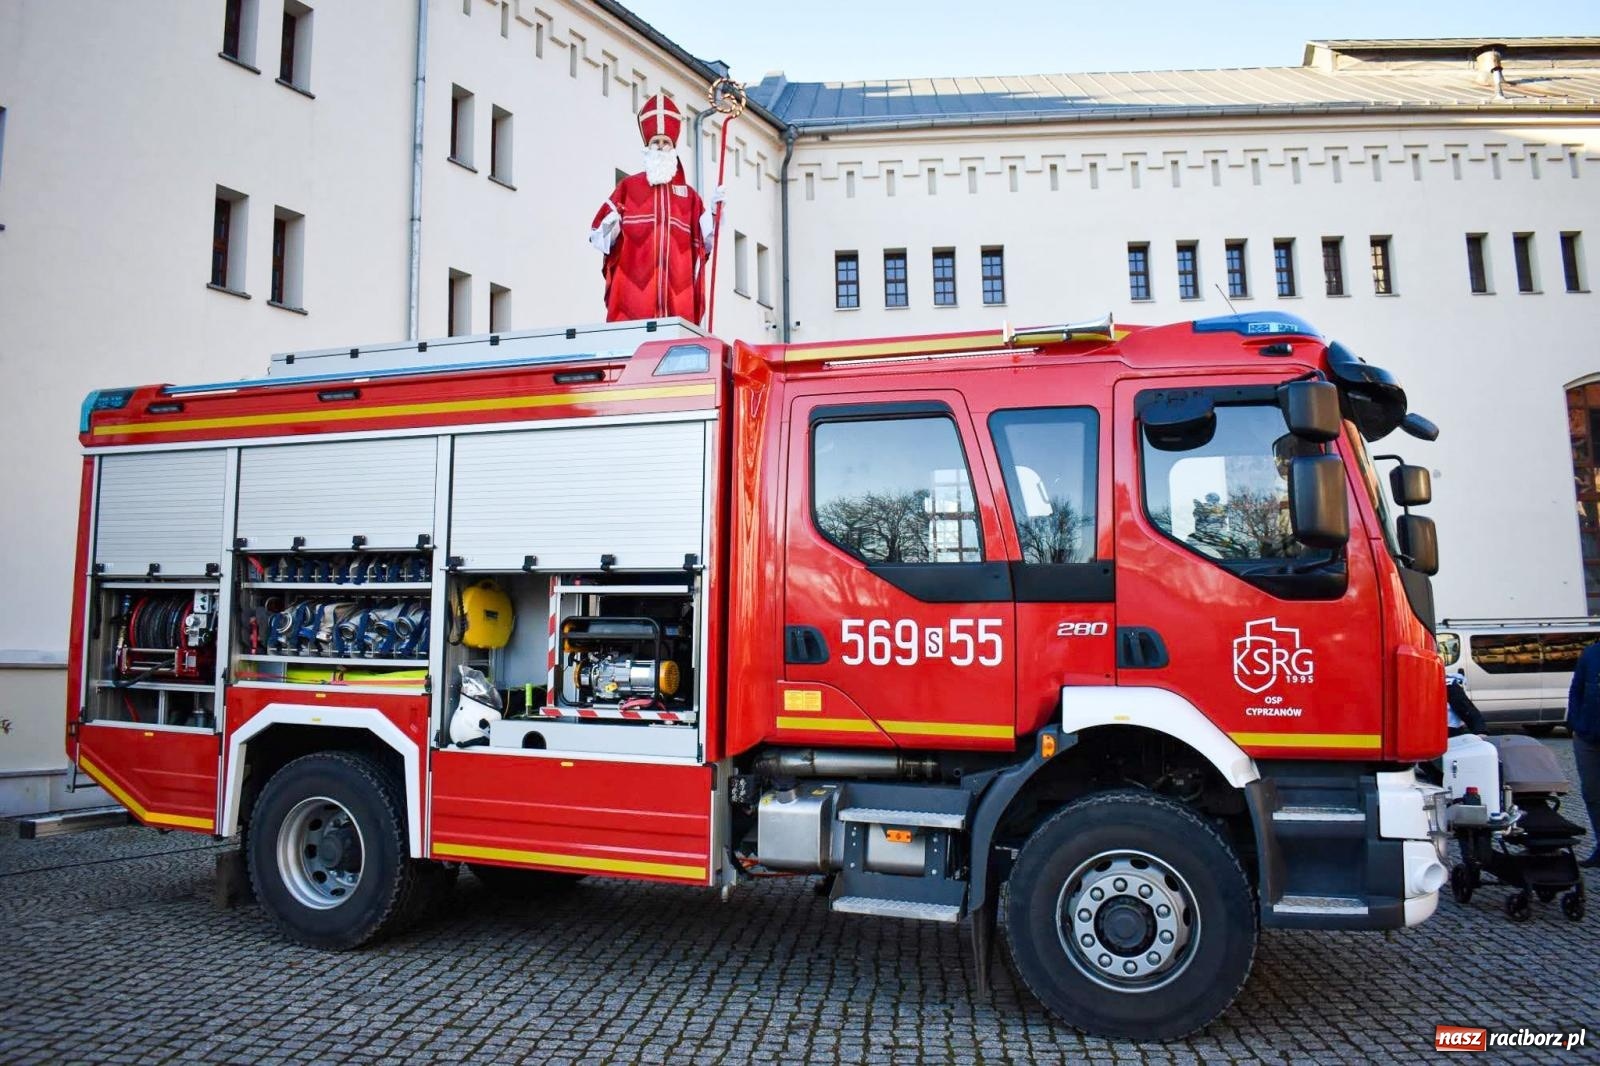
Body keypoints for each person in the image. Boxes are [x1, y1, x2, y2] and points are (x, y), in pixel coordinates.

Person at [589, 94, 723, 324]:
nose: (661, 147)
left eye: (666, 142)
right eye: (655, 142)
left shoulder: (689, 197)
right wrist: (610, 225)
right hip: (631, 302)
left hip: (677, 302)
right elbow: (597, 236)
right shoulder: (628, 188)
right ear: (647, 147)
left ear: (673, 148)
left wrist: (715, 212)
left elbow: (705, 245)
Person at [1564, 640, 1600, 866]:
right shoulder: (1591, 653)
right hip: (1588, 736)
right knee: (1593, 794)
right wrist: (1576, 724)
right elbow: (1576, 689)